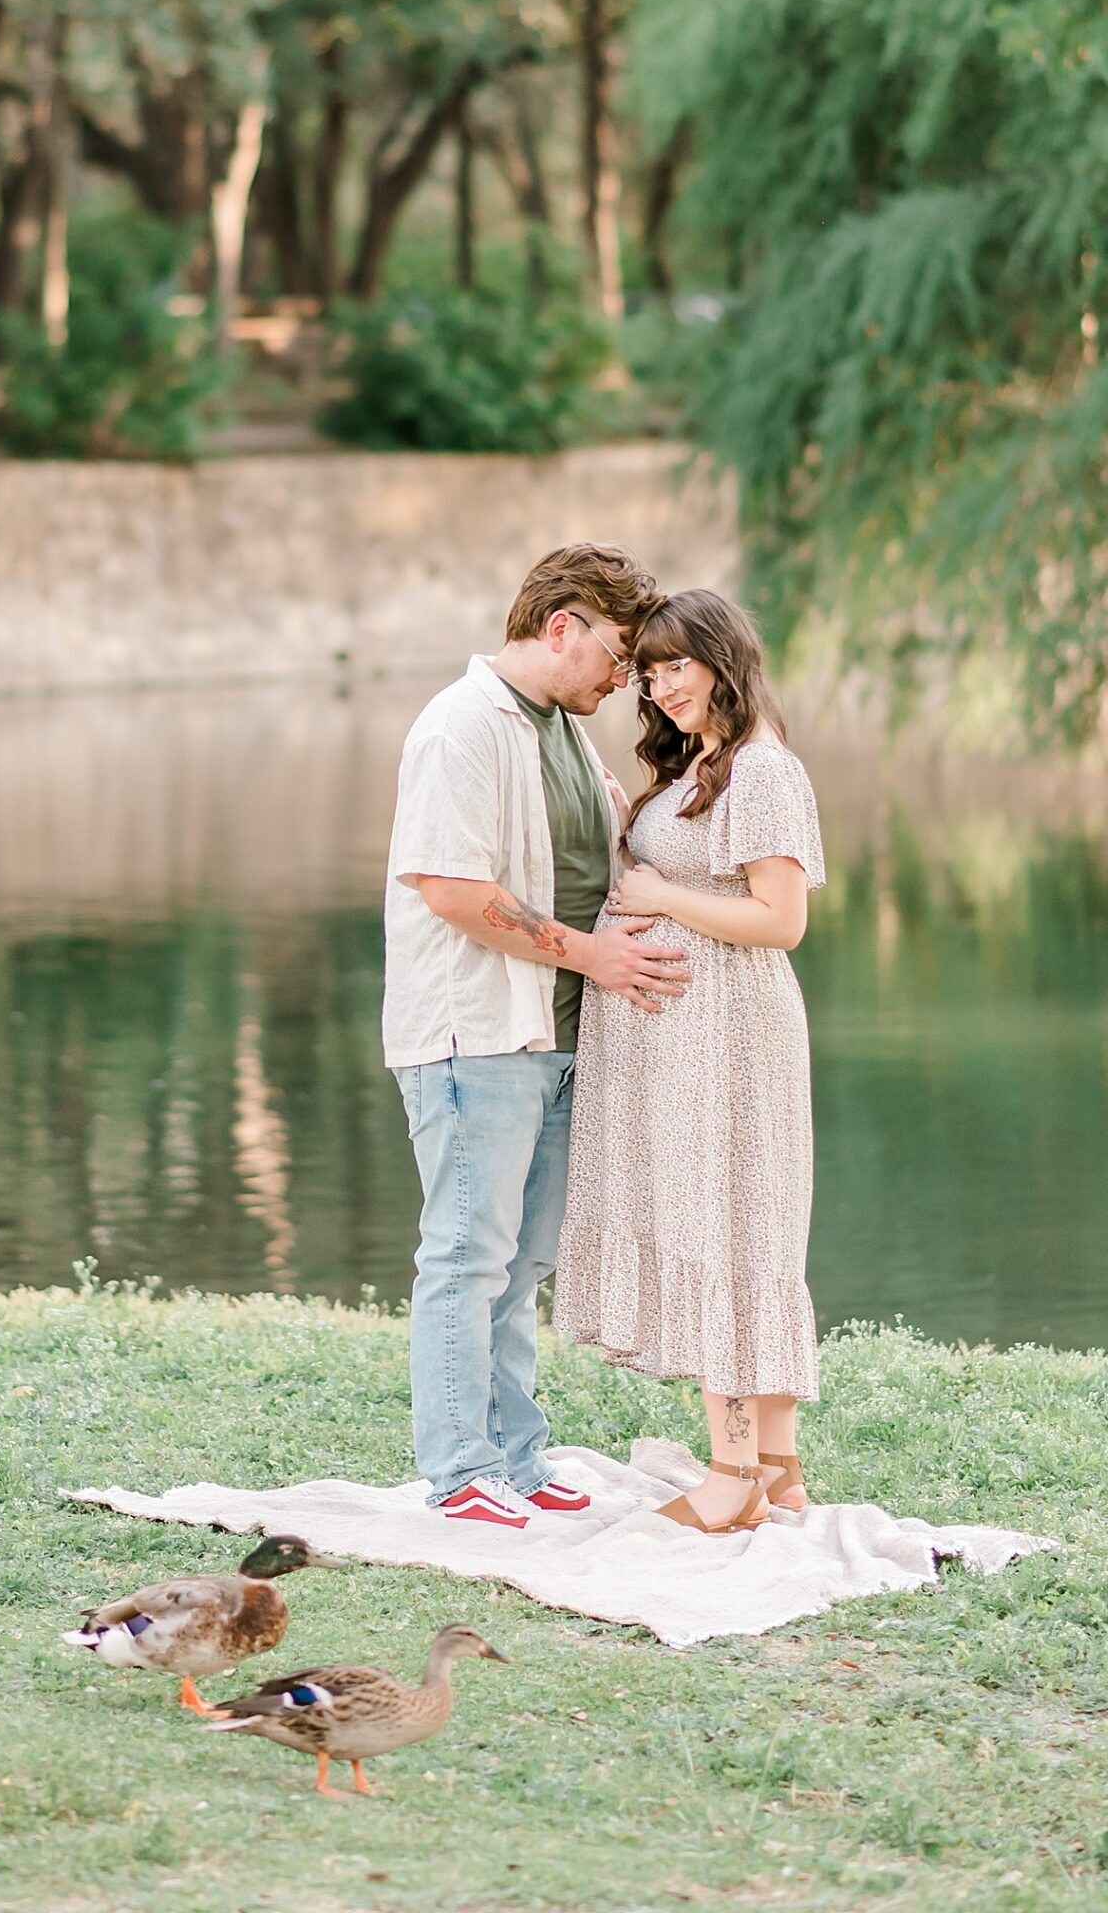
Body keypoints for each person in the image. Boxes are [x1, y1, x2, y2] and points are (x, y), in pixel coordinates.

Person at [384, 544, 690, 1528]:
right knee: (466, 1255)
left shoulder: (563, 731)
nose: (623, 678)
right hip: (471, 1037)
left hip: (553, 1039)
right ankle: (457, 1469)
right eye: (616, 654)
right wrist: (590, 958)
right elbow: (451, 890)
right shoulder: (459, 726)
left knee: (520, 1263)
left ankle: (514, 1455)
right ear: (562, 624)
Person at [553, 588, 825, 1532]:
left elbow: (779, 921)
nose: (660, 685)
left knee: (731, 1233)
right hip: (679, 1041)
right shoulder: (701, 768)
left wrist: (661, 897)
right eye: (651, 669)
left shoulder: (759, 771)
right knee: (736, 1232)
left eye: (679, 664)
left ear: (723, 660)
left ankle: (732, 1474)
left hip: (727, 1044)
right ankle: (778, 1468)